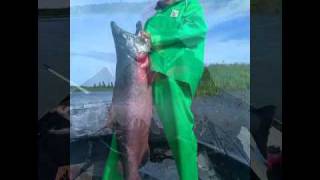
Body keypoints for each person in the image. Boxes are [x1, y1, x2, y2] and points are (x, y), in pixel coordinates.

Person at [103, 0, 207, 179]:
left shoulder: (190, 6)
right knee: (124, 128)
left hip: (176, 77)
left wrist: (156, 38)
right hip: (148, 80)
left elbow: (197, 31)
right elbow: (141, 54)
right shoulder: (152, 20)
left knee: (180, 132)